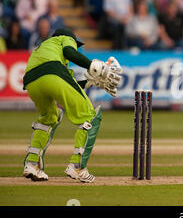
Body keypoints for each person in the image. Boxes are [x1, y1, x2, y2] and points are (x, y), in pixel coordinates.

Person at [22, 28, 122, 183]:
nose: (76, 46)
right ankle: (77, 166)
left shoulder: (44, 49)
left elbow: (67, 84)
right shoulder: (63, 38)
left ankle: (31, 164)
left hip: (31, 81)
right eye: (76, 43)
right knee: (90, 115)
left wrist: (91, 82)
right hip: (52, 73)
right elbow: (69, 52)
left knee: (49, 118)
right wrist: (92, 65)